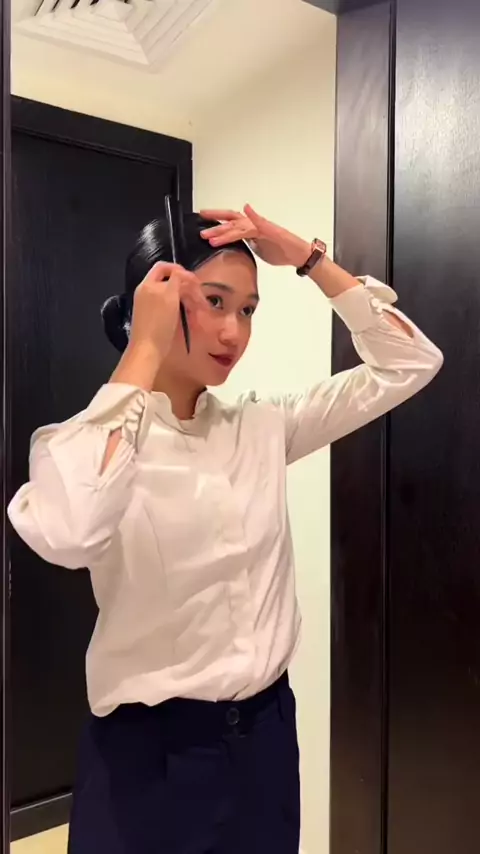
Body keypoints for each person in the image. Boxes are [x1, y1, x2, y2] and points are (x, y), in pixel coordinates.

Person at [7, 204, 443, 854]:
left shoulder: (261, 427)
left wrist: (310, 260)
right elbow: (72, 531)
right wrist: (143, 347)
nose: (234, 331)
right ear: (151, 302)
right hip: (147, 756)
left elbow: (409, 363)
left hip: (264, 742)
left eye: (248, 309)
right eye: (213, 301)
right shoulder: (79, 445)